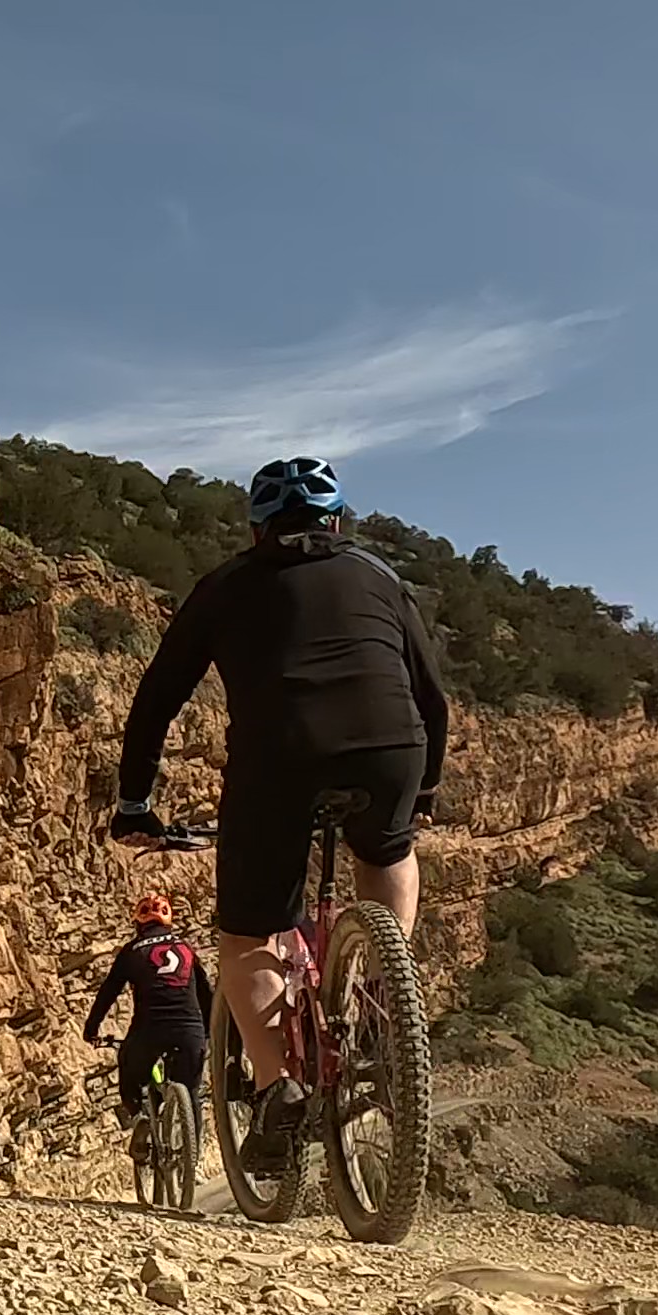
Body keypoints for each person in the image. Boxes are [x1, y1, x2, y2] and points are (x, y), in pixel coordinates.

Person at [108, 455, 451, 1173]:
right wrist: (423, 789)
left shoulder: (224, 585)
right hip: (390, 747)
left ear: (257, 530)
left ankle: (276, 1087)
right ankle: (381, 994)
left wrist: (136, 801)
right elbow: (431, 694)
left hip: (279, 760)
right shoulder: (380, 575)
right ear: (338, 522)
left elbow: (157, 697)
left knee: (248, 933)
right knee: (387, 850)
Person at [84, 890, 208, 1123]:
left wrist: (91, 1029)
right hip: (190, 1029)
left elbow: (109, 992)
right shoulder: (186, 948)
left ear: (138, 924)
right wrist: (207, 1032)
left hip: (149, 1030)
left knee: (129, 1068)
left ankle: (139, 1118)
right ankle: (194, 1145)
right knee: (192, 1098)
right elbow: (205, 992)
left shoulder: (132, 950)